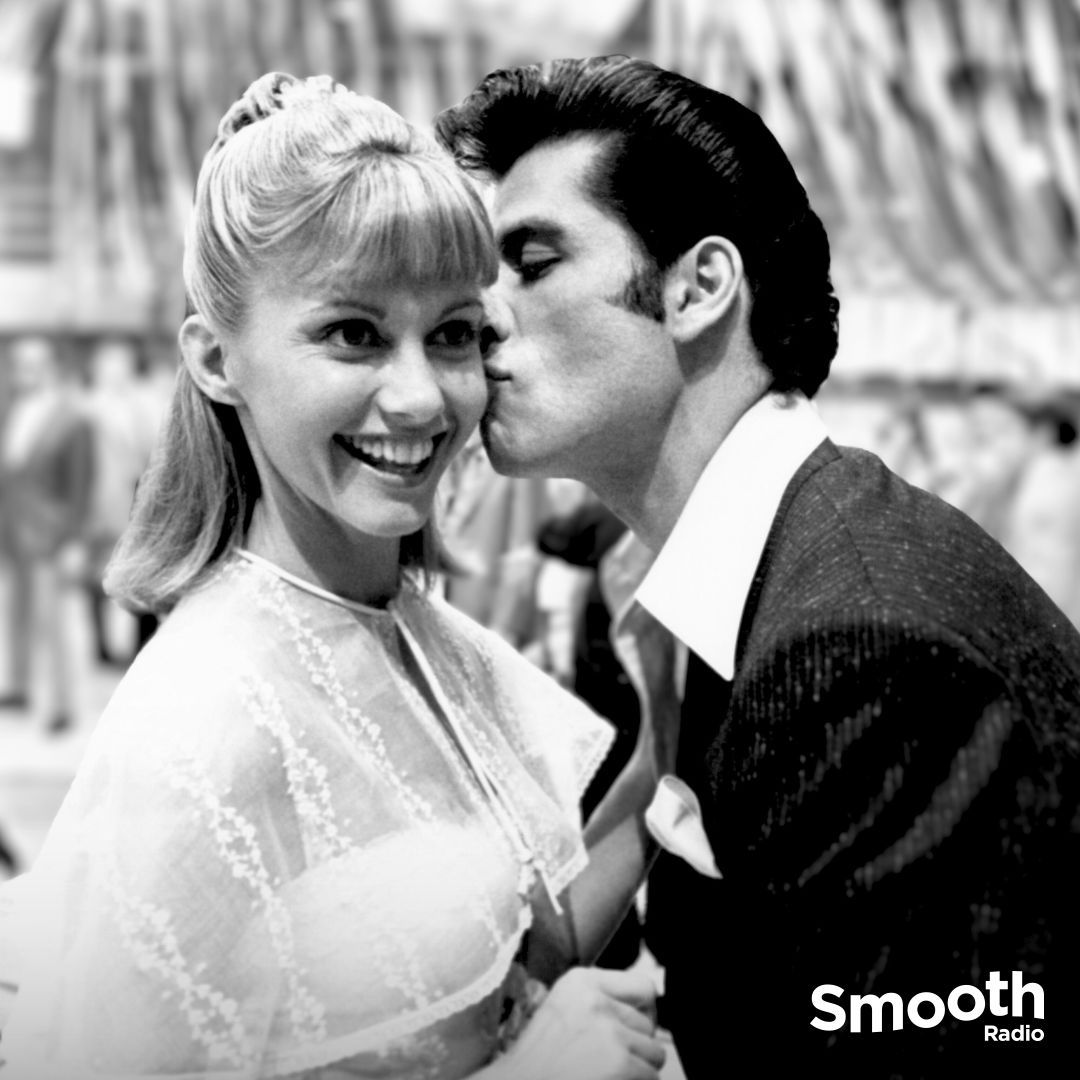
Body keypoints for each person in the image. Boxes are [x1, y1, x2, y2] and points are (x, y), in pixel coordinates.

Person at [0, 73, 670, 1080]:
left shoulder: (410, 626)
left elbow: (508, 947)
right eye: (352, 333)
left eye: (450, 334)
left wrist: (666, 737)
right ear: (216, 360)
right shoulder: (204, 723)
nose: (418, 397)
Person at [436, 55, 1080, 1076]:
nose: (480, 316)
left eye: (534, 260)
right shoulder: (762, 568)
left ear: (697, 288)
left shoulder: (862, 642)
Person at [0, 335, 93, 734]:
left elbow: (81, 485)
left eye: (35, 362)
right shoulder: (12, 409)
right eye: (20, 362)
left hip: (51, 537)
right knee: (16, 614)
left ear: (51, 365)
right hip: (13, 532)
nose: (26, 370)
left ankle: (61, 704)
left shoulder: (72, 419)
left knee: (52, 622)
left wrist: (75, 540)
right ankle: (19, 687)